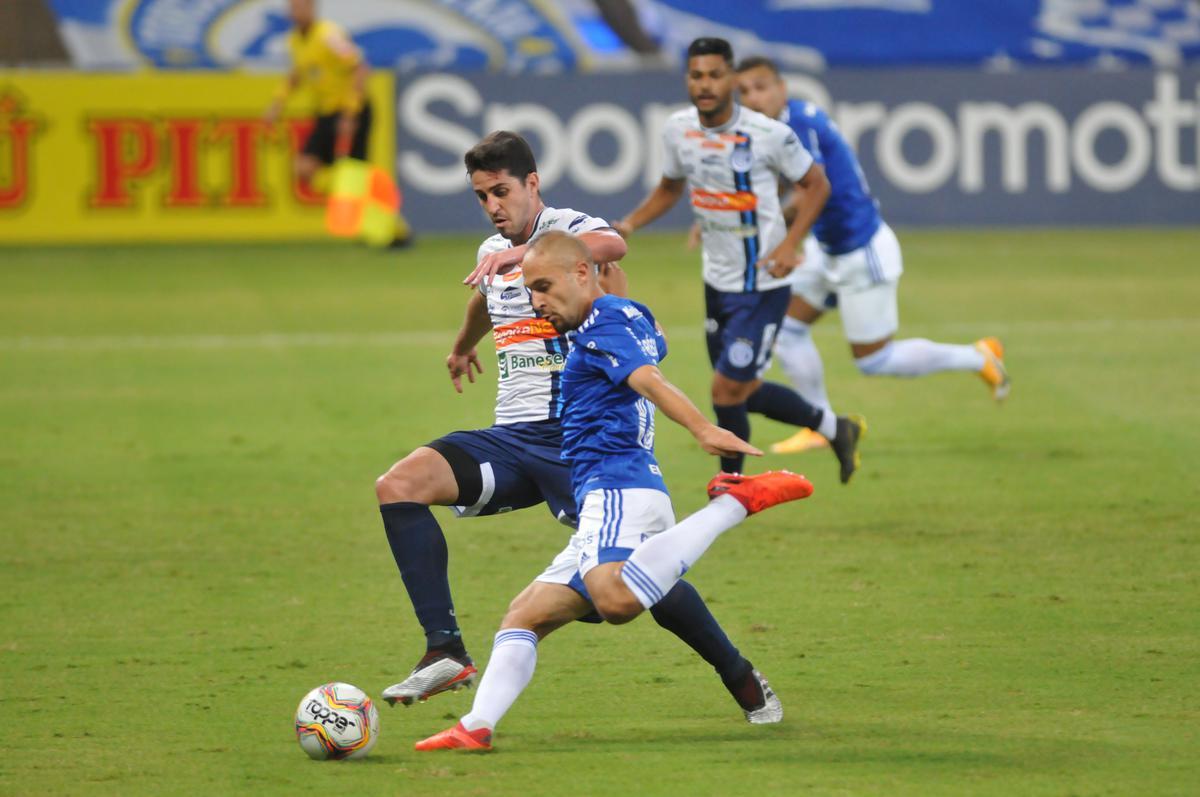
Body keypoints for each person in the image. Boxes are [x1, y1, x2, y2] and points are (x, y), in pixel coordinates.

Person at [376, 131, 783, 725]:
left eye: (502, 190)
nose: (493, 205)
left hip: (577, 440)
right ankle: (446, 649)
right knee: (400, 484)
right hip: (513, 439)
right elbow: (484, 298)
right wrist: (463, 346)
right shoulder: (493, 253)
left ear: (531, 184)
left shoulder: (568, 231)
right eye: (482, 196)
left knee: (632, 581)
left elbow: (612, 243)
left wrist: (525, 255)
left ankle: (737, 672)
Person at [415, 231, 814, 751]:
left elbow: (648, 378)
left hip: (615, 485)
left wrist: (702, 429)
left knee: (615, 599)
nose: (536, 303)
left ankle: (732, 504)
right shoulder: (629, 316)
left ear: (583, 273)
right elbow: (655, 344)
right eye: (531, 291)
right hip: (625, 490)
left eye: (543, 286)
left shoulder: (602, 327)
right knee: (525, 614)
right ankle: (476, 727)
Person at [614, 37, 864, 483]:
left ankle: (732, 486)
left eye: (714, 75)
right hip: (717, 281)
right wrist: (631, 224)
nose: (705, 84)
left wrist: (790, 245)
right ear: (687, 80)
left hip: (763, 284)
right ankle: (836, 427)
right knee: (740, 392)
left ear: (730, 78)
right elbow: (671, 186)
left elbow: (817, 184)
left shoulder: (768, 134)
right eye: (696, 75)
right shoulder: (678, 130)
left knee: (724, 389)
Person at [734, 56, 1010, 454]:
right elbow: (778, 186)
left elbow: (815, 188)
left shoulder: (800, 125)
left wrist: (783, 239)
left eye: (761, 87)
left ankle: (976, 356)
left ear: (782, 89)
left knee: (874, 361)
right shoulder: (773, 129)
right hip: (827, 250)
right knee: (788, 329)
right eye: (744, 91)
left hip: (860, 251)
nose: (754, 97)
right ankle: (822, 423)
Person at [263, 0, 413, 245]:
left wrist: (350, 113)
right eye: (293, 6)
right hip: (325, 112)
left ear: (312, 7)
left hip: (351, 111)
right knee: (306, 169)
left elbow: (360, 68)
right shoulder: (294, 41)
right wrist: (278, 103)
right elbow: (297, 75)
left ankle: (394, 230)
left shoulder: (328, 36)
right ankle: (380, 223)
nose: (297, 11)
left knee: (356, 174)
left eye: (301, 6)